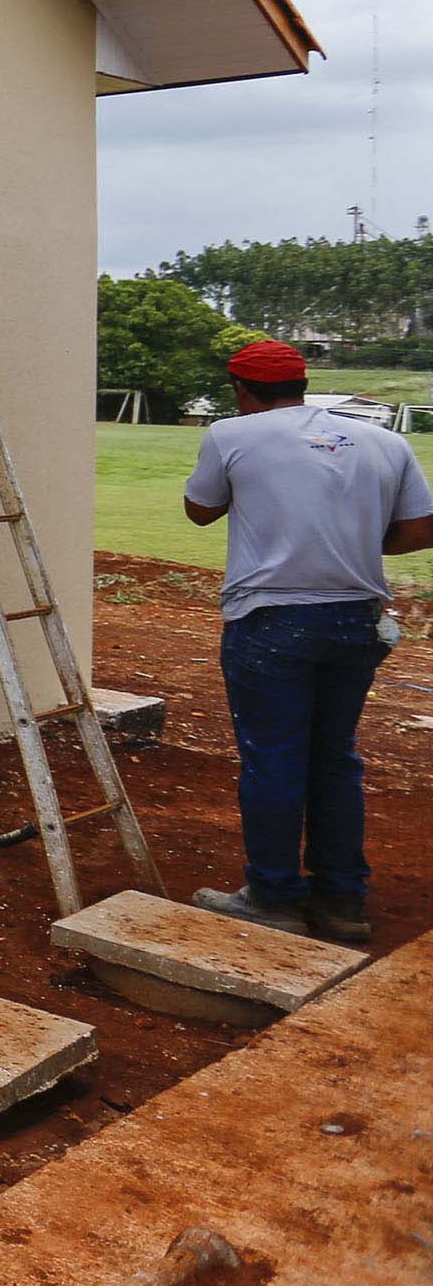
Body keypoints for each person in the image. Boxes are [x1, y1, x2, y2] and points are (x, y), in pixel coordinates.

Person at [180, 337, 433, 943]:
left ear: (242, 390)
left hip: (272, 619)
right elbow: (422, 528)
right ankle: (343, 901)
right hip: (357, 619)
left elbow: (199, 510)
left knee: (274, 758)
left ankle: (273, 895)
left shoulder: (230, 434)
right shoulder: (385, 440)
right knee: (334, 756)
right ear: (303, 382)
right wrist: (344, 545)